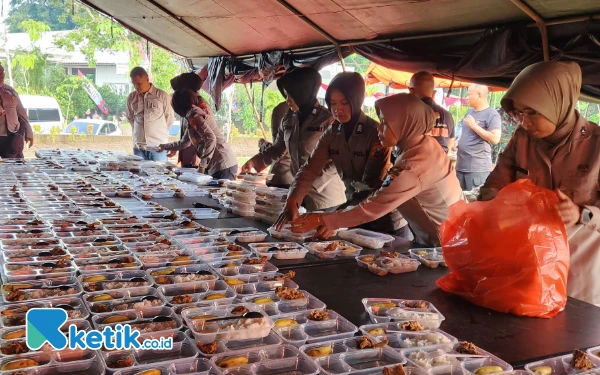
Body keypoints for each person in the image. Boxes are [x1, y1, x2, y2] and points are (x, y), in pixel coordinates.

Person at [480, 61, 600, 306]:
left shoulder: (597, 145)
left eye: (533, 111)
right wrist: (490, 202)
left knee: (569, 337)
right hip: (527, 261)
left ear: (558, 101)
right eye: (519, 113)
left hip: (580, 270)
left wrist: (582, 214)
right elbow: (497, 182)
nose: (525, 121)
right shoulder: (522, 140)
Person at [289, 93, 463, 246]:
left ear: (405, 125)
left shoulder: (415, 164)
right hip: (438, 239)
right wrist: (333, 220)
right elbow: (385, 188)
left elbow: (376, 204)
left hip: (451, 243)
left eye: (385, 123)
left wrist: (325, 219)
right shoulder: (418, 147)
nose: (379, 128)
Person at [276, 72, 407, 235]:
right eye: (332, 103)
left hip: (385, 220)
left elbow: (369, 186)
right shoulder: (332, 133)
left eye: (344, 103)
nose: (337, 109)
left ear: (356, 100)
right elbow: (309, 169)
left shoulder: (376, 134)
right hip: (352, 215)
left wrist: (331, 219)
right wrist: (293, 200)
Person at [240, 67, 345, 211]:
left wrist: (309, 180)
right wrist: (254, 163)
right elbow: (277, 149)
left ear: (302, 93)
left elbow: (339, 161)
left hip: (325, 197)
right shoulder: (289, 117)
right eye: (286, 95)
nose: (287, 100)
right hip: (298, 194)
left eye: (291, 95)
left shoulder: (328, 120)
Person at [170, 89, 238, 180]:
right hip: (217, 164)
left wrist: (202, 166)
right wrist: (163, 147)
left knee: (218, 193)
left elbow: (211, 139)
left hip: (222, 164)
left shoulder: (195, 117)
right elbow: (185, 142)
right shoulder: (191, 116)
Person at [455, 84, 501, 191]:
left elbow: (495, 139)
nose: (466, 97)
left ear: (479, 95)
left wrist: (474, 126)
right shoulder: (470, 111)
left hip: (477, 169)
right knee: (459, 201)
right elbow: (465, 130)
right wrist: (458, 141)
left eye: (469, 94)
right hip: (461, 166)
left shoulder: (492, 114)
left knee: (474, 203)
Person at [126, 67, 174, 161]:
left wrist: (157, 131)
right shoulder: (131, 97)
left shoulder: (162, 96)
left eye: (139, 83)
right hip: (138, 145)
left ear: (147, 79)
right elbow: (130, 118)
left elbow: (170, 118)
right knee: (138, 174)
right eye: (134, 84)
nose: (137, 86)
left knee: (160, 174)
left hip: (158, 146)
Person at [159, 72, 203, 168]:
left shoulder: (199, 107)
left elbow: (207, 136)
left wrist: (199, 155)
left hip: (197, 159)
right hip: (186, 155)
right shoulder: (186, 104)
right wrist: (175, 147)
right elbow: (186, 134)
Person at [409, 71, 455, 153]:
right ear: (434, 93)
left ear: (411, 91)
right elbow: (450, 142)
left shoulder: (409, 113)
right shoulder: (448, 115)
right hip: (440, 163)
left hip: (417, 164)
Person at [0, 64, 33, 159]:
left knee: (17, 164)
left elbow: (21, 112)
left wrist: (29, 131)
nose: (1, 77)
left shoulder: (10, 91)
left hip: (12, 134)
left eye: (2, 74)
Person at [262, 101, 293, 188]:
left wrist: (263, 145)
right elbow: (279, 146)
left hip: (283, 176)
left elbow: (281, 149)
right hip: (286, 177)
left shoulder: (282, 110)